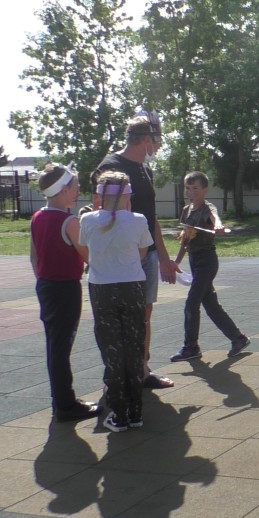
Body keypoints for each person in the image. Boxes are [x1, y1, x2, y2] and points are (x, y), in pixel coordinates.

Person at [92, 112, 179, 389]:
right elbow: (98, 211)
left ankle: (141, 369)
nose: (160, 145)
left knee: (144, 316)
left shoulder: (145, 170)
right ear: (145, 139)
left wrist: (164, 258)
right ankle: (119, 375)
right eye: (158, 138)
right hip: (121, 257)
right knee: (118, 318)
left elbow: (151, 218)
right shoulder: (111, 167)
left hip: (147, 254)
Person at [79, 171, 152, 432]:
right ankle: (135, 411)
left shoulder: (87, 219)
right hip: (132, 286)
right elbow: (142, 253)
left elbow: (87, 249)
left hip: (102, 288)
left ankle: (119, 413)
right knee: (134, 347)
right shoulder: (138, 220)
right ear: (127, 195)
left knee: (112, 350)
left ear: (99, 196)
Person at [30, 163, 103, 422]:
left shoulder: (37, 217)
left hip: (46, 286)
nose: (78, 191)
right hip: (65, 289)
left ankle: (60, 400)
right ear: (62, 190)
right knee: (61, 347)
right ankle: (65, 404)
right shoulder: (69, 221)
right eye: (75, 187)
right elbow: (91, 256)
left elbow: (34, 256)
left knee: (54, 345)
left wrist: (44, 278)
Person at [169, 171, 250, 362]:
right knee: (211, 305)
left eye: (195, 188)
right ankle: (238, 338)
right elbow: (185, 239)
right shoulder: (186, 211)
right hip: (194, 260)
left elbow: (215, 218)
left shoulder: (208, 208)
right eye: (188, 188)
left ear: (205, 189)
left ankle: (191, 347)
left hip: (207, 261)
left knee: (192, 303)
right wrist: (176, 262)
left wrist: (218, 226)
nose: (191, 192)